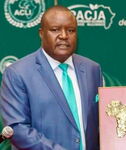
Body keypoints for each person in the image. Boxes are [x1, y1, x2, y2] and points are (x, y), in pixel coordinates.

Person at [0, 6, 102, 150]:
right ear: (41, 33)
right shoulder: (17, 73)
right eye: (55, 29)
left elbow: (102, 122)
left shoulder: (92, 69)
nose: (64, 35)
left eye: (71, 30)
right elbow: (17, 129)